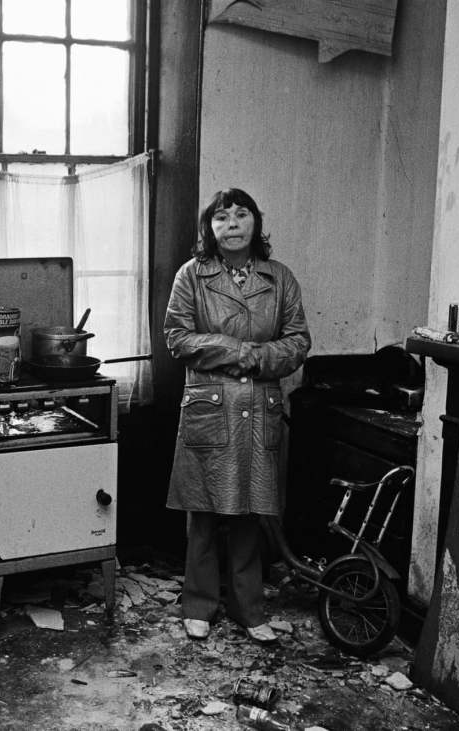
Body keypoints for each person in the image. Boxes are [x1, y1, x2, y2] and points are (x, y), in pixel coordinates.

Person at [164, 188, 311, 643]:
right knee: (205, 513)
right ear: (210, 228)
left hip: (257, 409)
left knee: (251, 511)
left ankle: (250, 608)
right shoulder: (192, 276)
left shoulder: (280, 278)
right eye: (221, 216)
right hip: (211, 406)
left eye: (241, 214)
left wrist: (257, 359)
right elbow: (177, 337)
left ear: (256, 224)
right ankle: (199, 604)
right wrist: (237, 350)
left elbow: (298, 341)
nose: (232, 223)